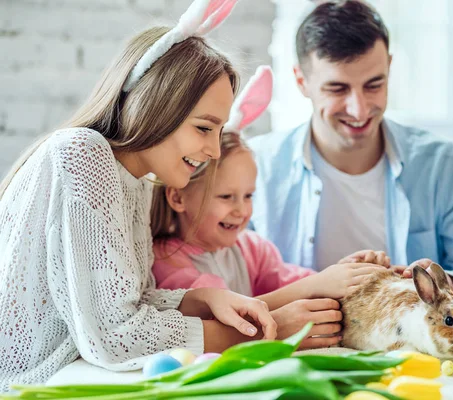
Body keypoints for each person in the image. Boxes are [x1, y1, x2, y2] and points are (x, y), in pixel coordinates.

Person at [0, 0, 277, 391]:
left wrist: (202, 299)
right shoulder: (83, 153)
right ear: (158, 105)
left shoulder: (136, 181)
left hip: (70, 374)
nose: (215, 151)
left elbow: (128, 303)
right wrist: (259, 338)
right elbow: (113, 337)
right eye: (203, 128)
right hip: (25, 384)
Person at [248, 0, 453, 321]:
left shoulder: (444, 166)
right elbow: (227, 290)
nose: (359, 109)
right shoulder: (255, 171)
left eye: (374, 84)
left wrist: (449, 285)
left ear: (389, 68)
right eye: (337, 88)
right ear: (301, 82)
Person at [151, 65, 390, 349]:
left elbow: (295, 280)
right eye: (226, 197)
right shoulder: (167, 260)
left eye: (249, 196)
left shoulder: (251, 248)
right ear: (177, 198)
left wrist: (346, 275)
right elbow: (224, 314)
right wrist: (315, 286)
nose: (241, 210)